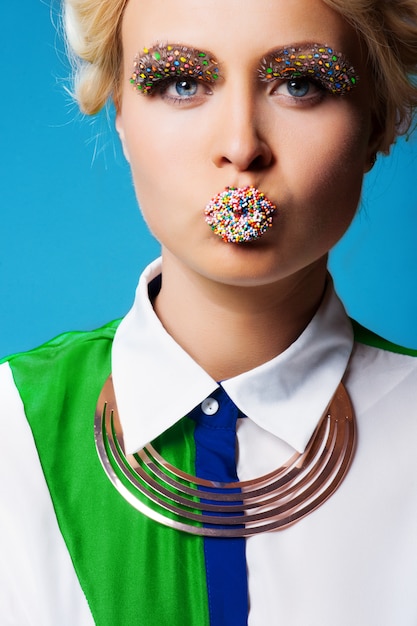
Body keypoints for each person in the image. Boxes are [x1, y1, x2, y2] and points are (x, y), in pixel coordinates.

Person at [1, 0, 417, 624]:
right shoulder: (13, 434)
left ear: (377, 121)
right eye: (182, 82)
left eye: (301, 83)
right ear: (119, 112)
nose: (240, 147)